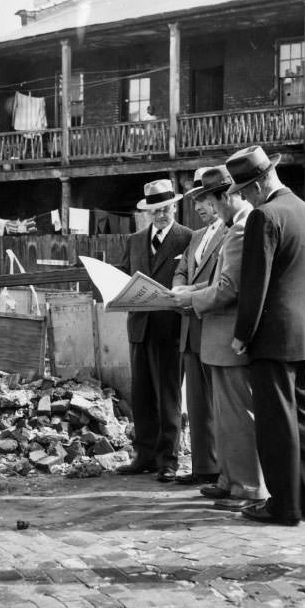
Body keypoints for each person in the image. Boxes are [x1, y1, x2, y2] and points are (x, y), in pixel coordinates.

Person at [226, 146, 305, 526]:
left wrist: (242, 334)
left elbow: (256, 286)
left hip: (273, 338)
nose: (245, 198)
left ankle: (283, 506)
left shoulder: (264, 216)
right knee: (302, 416)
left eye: (245, 190)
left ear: (259, 183)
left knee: (274, 422)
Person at [171, 166, 267, 510]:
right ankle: (229, 479)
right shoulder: (235, 226)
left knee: (238, 416)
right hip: (219, 337)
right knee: (225, 415)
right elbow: (218, 282)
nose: (210, 209)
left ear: (224, 197)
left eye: (210, 200)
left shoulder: (241, 229)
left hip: (229, 337)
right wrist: (194, 290)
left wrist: (190, 299)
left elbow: (228, 288)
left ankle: (246, 486)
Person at [118, 179, 192, 482]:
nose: (161, 215)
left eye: (166, 208)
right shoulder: (135, 241)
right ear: (147, 212)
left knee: (169, 396)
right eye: (155, 210)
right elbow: (124, 277)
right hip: (140, 327)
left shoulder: (187, 238)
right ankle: (144, 456)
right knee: (143, 395)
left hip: (170, 328)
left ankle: (168, 459)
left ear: (174, 206)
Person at [172, 168, 227, 486]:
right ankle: (203, 466)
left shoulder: (231, 233)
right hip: (190, 329)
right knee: (197, 403)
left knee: (221, 402)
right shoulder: (195, 237)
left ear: (219, 200)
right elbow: (181, 271)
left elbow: (222, 281)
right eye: (195, 204)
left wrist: (189, 293)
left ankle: (225, 467)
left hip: (214, 326)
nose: (199, 208)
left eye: (203, 201)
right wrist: (179, 287)